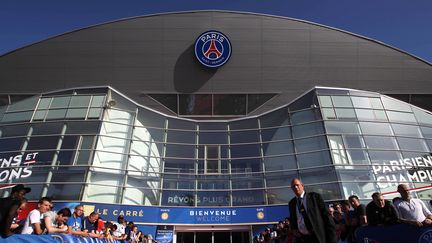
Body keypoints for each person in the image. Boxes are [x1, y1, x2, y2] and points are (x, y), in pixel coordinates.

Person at [288, 178, 337, 243]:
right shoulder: (292, 203)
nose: (296, 187)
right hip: (302, 238)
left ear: (302, 185)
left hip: (318, 236)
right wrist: (294, 229)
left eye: (297, 185)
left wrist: (332, 239)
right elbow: (293, 218)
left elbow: (327, 217)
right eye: (293, 186)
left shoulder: (315, 197)